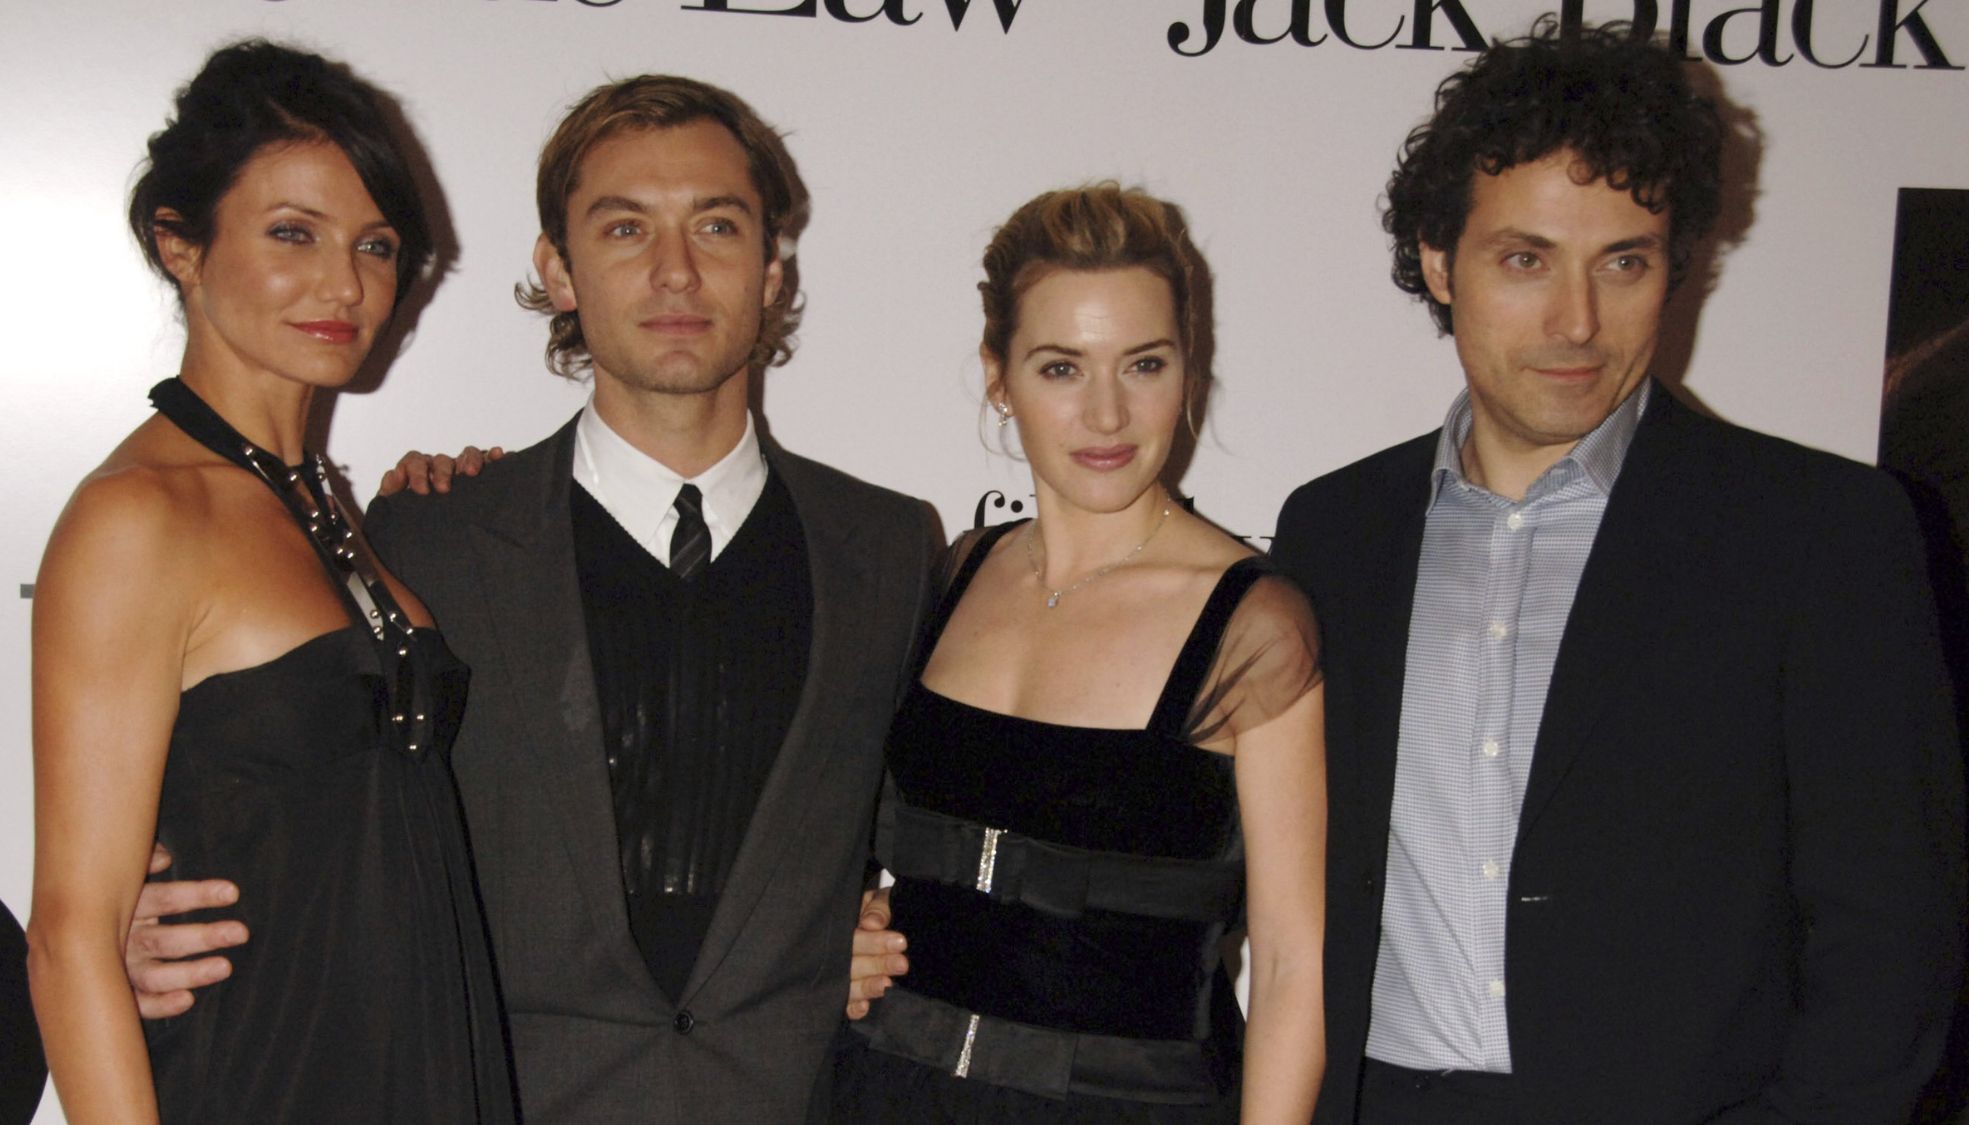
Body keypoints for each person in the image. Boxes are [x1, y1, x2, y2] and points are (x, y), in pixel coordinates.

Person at [123, 74, 936, 1123]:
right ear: (558, 270)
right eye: (624, 228)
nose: (675, 270)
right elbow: (320, 811)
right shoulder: (425, 537)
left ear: (772, 269)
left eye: (718, 226)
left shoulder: (889, 547)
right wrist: (146, 922)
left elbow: (945, 826)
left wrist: (886, 919)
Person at [1268, 19, 1964, 1124]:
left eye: (1623, 261)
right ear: (1439, 265)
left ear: (1675, 266)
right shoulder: (1333, 532)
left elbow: (1892, 933)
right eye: (1524, 259)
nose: (1575, 320)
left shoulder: (1819, 532)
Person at [27, 41, 513, 1124]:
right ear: (180, 245)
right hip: (262, 1080)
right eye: (292, 233)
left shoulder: (329, 505)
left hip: (423, 1068)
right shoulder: (139, 518)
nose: (345, 285)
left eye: (375, 246)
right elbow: (71, 938)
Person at [835, 184, 1327, 1122]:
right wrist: (837, 938)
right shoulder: (954, 574)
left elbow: (1296, 964)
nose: (1107, 414)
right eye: (1062, 368)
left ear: (1191, 369)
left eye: (1144, 364)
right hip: (887, 1092)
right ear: (998, 375)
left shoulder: (1252, 625)